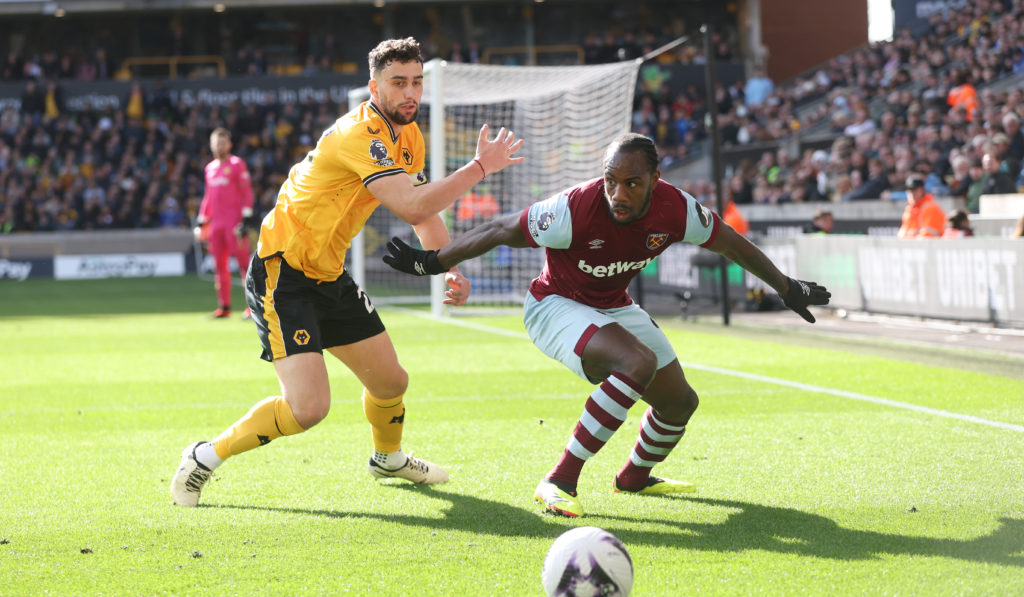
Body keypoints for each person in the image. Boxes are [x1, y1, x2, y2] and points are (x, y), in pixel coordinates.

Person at [381, 133, 830, 517]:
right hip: (554, 305)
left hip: (614, 305)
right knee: (637, 362)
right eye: (612, 180)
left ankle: (634, 477)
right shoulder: (573, 208)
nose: (618, 193)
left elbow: (735, 246)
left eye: (632, 183)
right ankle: (559, 480)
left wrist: (787, 288)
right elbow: (500, 229)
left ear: (656, 180)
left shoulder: (678, 210)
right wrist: (432, 262)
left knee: (680, 403)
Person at [170, 37, 525, 507]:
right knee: (309, 409)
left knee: (391, 382)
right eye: (398, 83)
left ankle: (388, 457)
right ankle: (203, 456)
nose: (410, 93)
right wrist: (480, 167)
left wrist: (446, 264)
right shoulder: (359, 133)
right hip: (283, 270)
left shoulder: (409, 136)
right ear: (374, 87)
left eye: (416, 82)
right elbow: (411, 203)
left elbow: (421, 215)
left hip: (328, 273)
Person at [196, 128, 255, 319]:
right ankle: (224, 306)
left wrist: (245, 219)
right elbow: (208, 197)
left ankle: (252, 307)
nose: (219, 146)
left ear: (229, 145)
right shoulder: (210, 168)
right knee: (219, 266)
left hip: (234, 223)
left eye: (222, 143)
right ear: (211, 145)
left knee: (244, 265)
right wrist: (201, 220)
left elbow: (246, 192)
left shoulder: (237, 164)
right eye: (216, 143)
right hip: (216, 225)